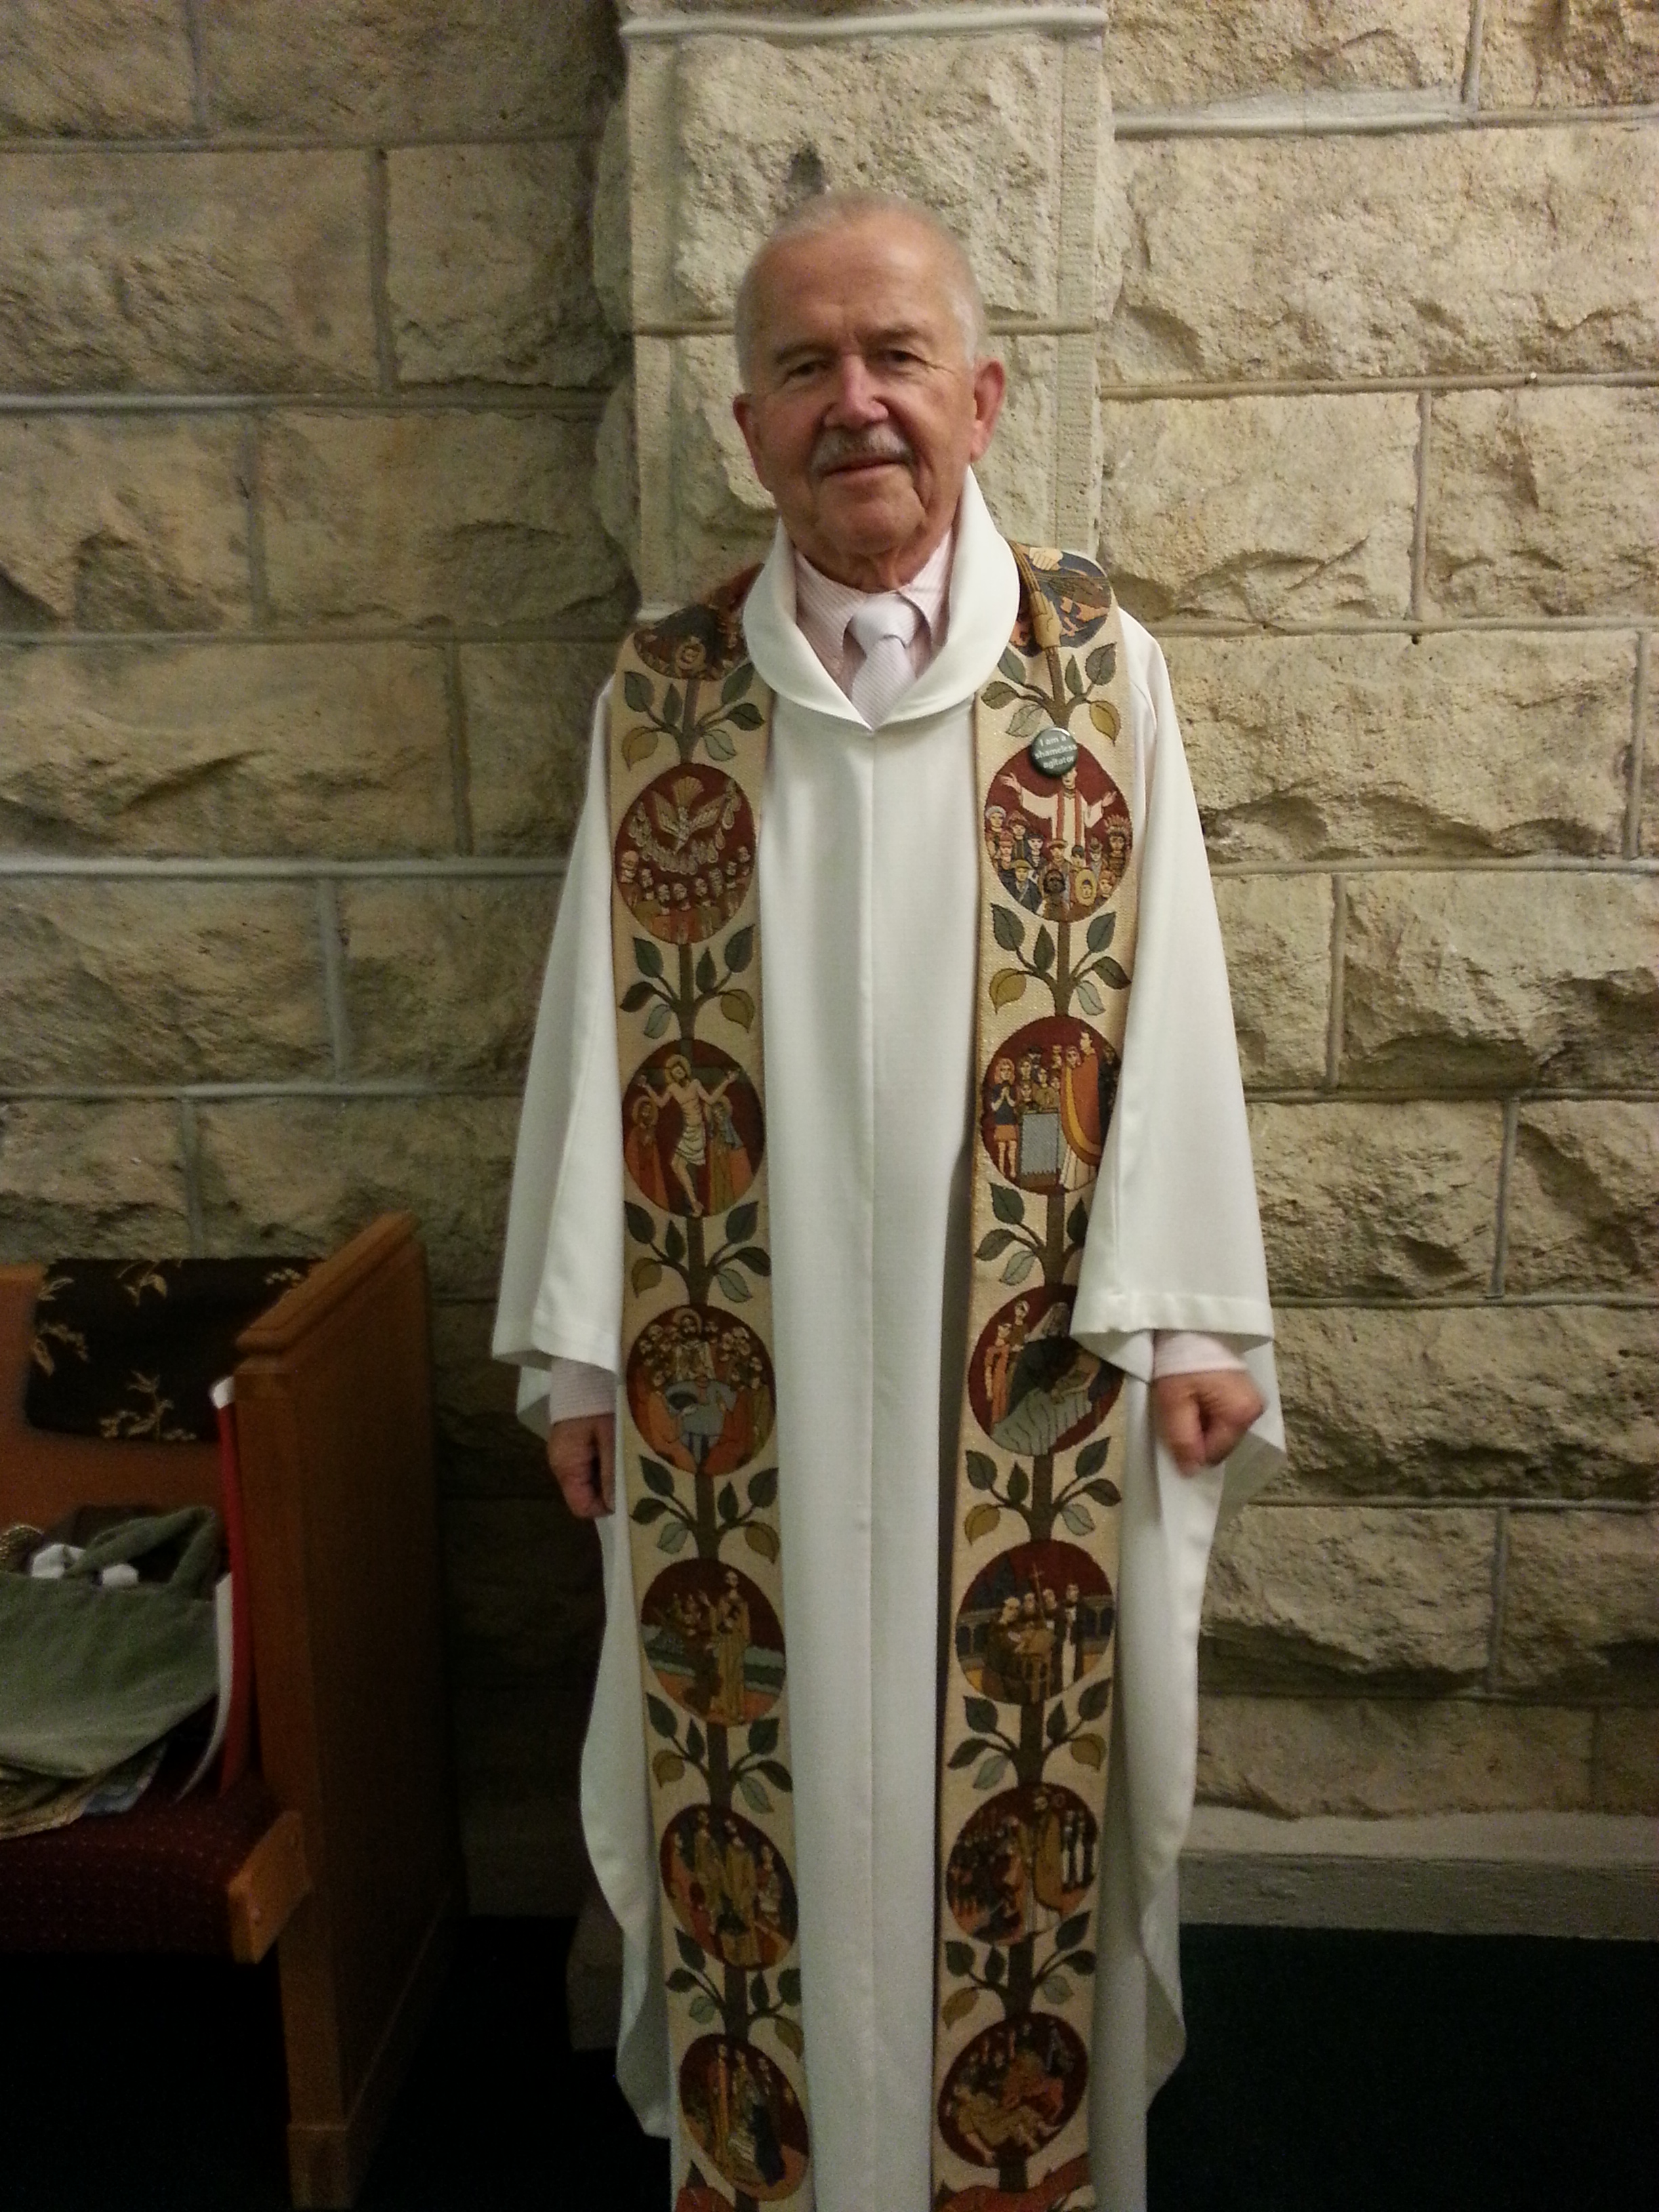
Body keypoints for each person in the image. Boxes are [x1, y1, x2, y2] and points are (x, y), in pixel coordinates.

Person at [495, 191, 1283, 2212]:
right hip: (731, 1391)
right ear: (751, 428)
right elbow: (591, 1023)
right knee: (771, 1786)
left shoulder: (1098, 678)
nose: (856, 402)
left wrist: (1199, 1318)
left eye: (896, 356)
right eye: (805, 367)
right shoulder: (665, 698)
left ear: (980, 398)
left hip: (1025, 1389)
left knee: (1020, 1806)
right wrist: (581, 1357)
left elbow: (1177, 995)